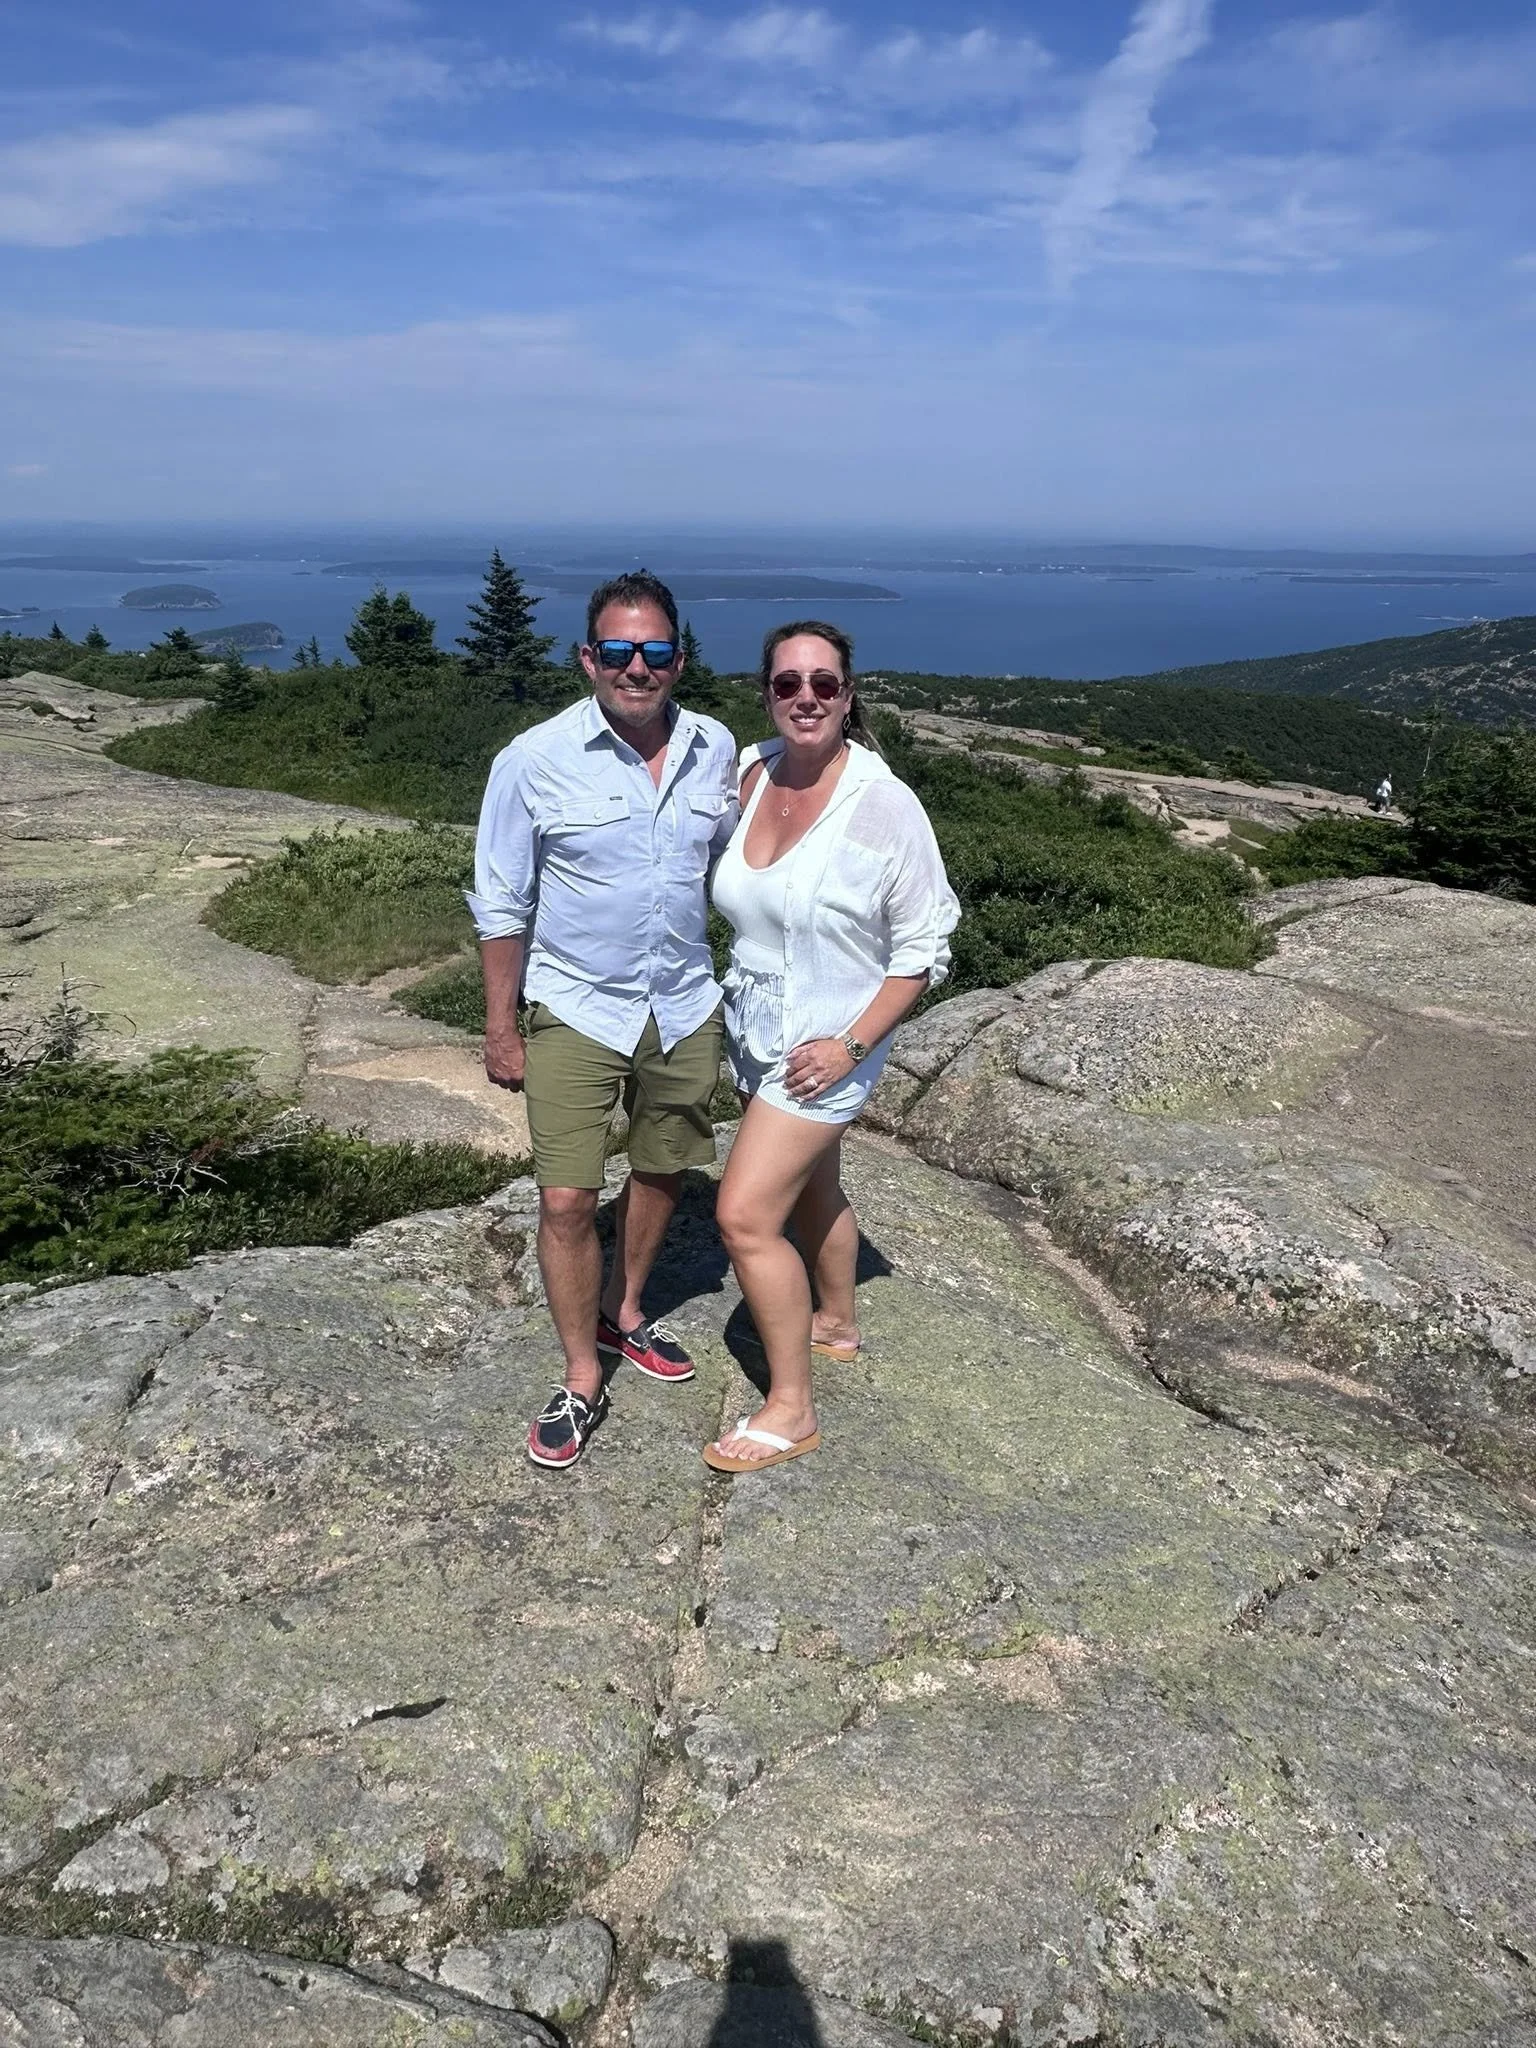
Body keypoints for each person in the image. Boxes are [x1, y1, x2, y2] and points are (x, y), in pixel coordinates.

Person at [469, 571, 738, 1470]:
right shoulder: (532, 758)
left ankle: (625, 1312)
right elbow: (501, 901)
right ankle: (583, 1372)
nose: (637, 667)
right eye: (618, 651)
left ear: (679, 660)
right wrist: (501, 1028)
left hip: (685, 1001)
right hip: (577, 1005)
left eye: (655, 651)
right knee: (565, 1197)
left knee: (664, 1167)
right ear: (588, 658)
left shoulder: (716, 748)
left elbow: (747, 871)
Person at [704, 622, 960, 1472]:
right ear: (766, 694)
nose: (805, 696)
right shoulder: (751, 772)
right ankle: (836, 1324)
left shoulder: (883, 805)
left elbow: (923, 950)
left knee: (743, 1216)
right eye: (787, 683)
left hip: (829, 1044)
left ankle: (791, 1408)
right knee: (812, 1182)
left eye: (823, 682)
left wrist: (852, 1046)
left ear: (850, 696)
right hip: (755, 1026)